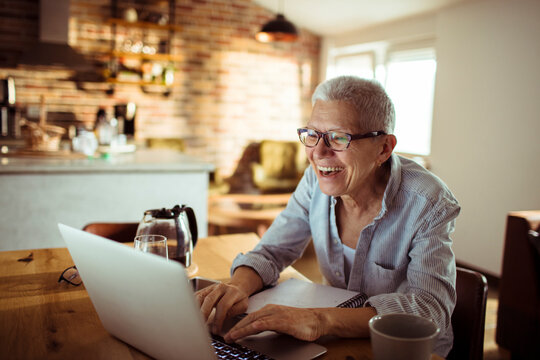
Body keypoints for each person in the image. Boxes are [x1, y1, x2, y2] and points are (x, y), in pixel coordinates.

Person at [196, 75, 460, 357]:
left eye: (338, 138)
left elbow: (430, 309)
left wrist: (319, 319)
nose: (318, 153)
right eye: (312, 135)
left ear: (384, 148)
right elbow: (272, 251)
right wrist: (237, 287)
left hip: (401, 350)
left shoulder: (429, 201)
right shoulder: (314, 181)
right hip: (334, 342)